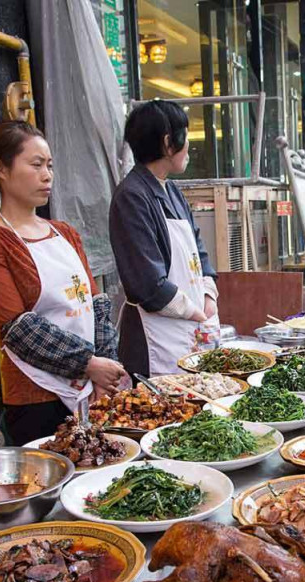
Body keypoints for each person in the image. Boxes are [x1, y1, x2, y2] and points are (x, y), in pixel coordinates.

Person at [0, 121, 124, 445]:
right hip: (36, 399)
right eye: (36, 164)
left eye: (49, 165)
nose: (47, 175)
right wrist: (89, 364)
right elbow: (18, 329)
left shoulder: (65, 233)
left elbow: (96, 304)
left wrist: (106, 370)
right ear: (1, 169)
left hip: (90, 390)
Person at [109, 100, 220, 378]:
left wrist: (208, 296)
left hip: (189, 329)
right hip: (153, 340)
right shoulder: (132, 196)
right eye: (184, 135)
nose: (189, 148)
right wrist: (196, 312)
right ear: (168, 142)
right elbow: (147, 285)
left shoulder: (172, 191)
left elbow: (199, 252)